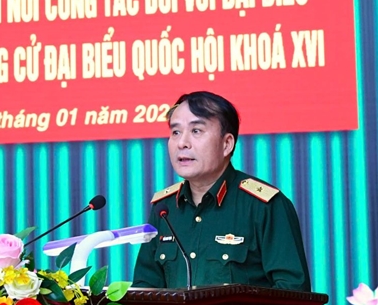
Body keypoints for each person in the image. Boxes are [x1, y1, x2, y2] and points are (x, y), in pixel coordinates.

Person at [132, 91, 311, 291]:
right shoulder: (164, 210)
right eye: (175, 132)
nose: (182, 143)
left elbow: (293, 292)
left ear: (227, 144)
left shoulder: (264, 207)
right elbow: (144, 290)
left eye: (196, 131)